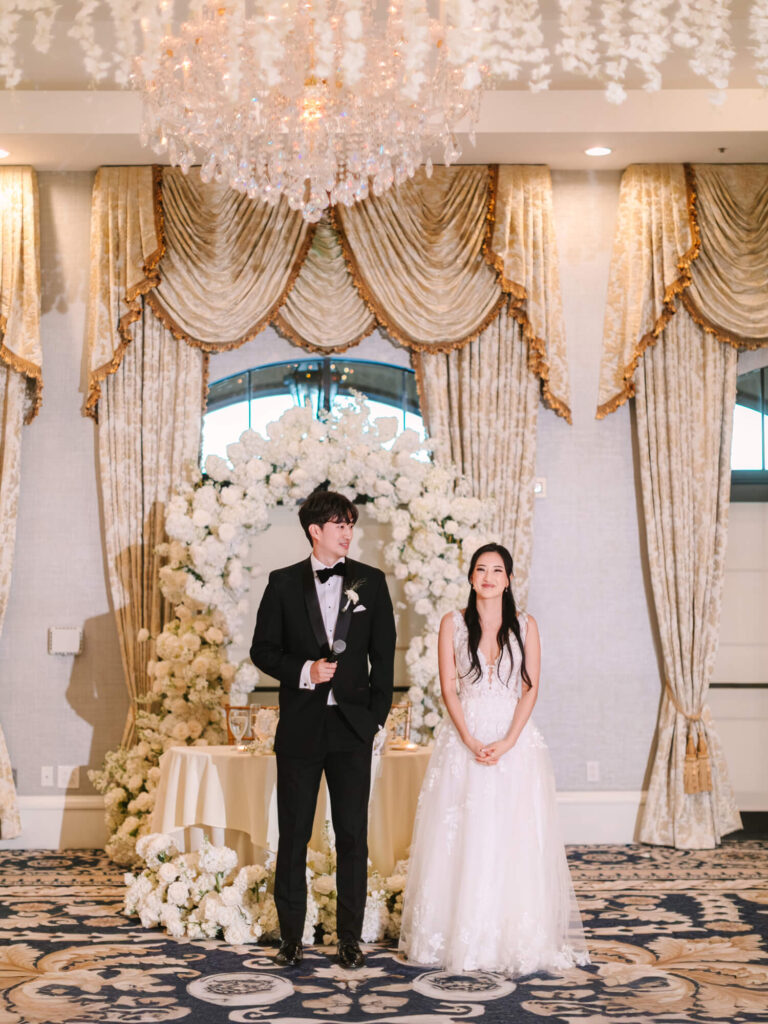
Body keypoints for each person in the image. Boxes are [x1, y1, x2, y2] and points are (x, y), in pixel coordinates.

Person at [399, 542, 589, 976]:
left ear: (508, 579)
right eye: (481, 569)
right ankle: (456, 934)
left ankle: (511, 935)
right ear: (470, 577)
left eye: (497, 570)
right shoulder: (452, 624)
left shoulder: (526, 625)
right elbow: (449, 685)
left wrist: (507, 741)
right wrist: (468, 736)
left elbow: (531, 687)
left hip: (514, 742)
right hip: (462, 741)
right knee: (463, 835)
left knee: (511, 836)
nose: (488, 577)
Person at [250, 488, 396, 969]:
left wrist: (374, 718)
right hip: (301, 727)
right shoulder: (283, 583)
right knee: (292, 835)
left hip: (353, 727)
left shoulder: (371, 583)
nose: (348, 532)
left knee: (353, 835)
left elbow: (384, 655)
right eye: (340, 524)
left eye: (351, 524)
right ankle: (291, 937)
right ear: (315, 530)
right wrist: (304, 671)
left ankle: (349, 940)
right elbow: (263, 650)